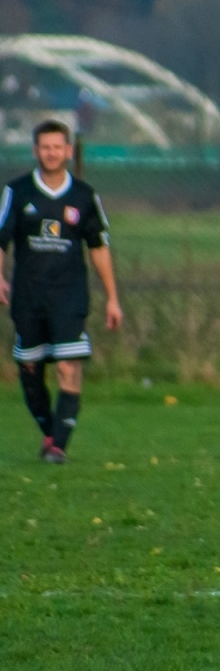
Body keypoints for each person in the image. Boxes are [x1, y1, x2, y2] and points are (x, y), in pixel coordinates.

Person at [0, 120, 123, 462]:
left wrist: (113, 297)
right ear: (35, 151)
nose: (51, 153)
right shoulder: (17, 192)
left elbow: (98, 246)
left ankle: (58, 446)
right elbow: (1, 240)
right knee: (30, 369)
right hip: (28, 296)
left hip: (69, 296)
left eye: (58, 147)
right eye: (45, 147)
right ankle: (50, 431)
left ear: (68, 151)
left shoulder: (84, 196)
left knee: (69, 365)